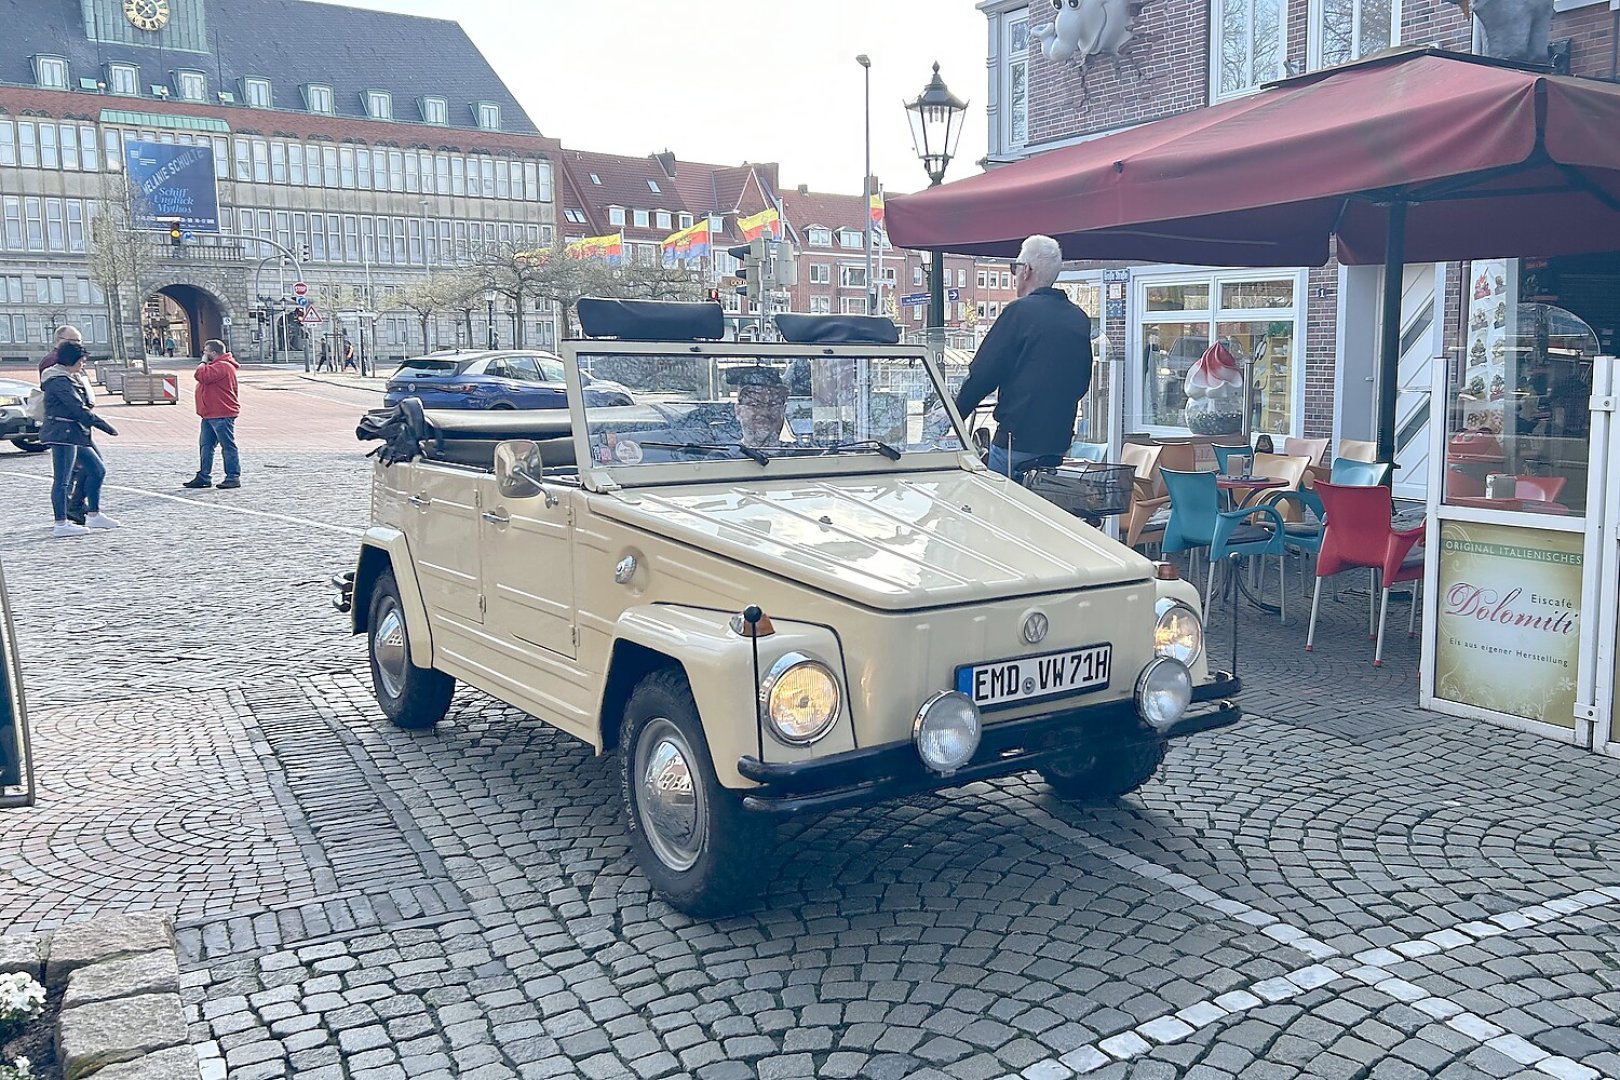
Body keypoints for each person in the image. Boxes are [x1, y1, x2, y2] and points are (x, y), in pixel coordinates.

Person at [953, 235, 1094, 479]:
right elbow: (1082, 379)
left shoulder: (1019, 313)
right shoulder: (1078, 318)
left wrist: (953, 417)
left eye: (1014, 268)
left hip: (1016, 440)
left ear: (1026, 270)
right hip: (1057, 442)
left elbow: (983, 374)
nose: (1014, 274)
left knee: (999, 510)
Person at [40, 342, 118, 537]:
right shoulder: (58, 380)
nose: (84, 364)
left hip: (73, 432)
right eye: (82, 361)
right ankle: (61, 522)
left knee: (97, 469)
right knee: (62, 480)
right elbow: (76, 408)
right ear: (71, 360)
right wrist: (103, 425)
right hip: (63, 433)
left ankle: (93, 513)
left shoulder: (69, 377)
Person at [38, 325, 95, 524]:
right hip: (65, 427)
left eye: (79, 341)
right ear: (60, 340)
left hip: (76, 425)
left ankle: (76, 507)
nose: (78, 345)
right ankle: (70, 510)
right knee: (72, 473)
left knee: (90, 468)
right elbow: (63, 397)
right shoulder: (53, 363)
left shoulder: (69, 363)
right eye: (74, 342)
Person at [184, 339, 241, 490]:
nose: (204, 354)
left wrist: (203, 362)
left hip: (221, 412)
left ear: (213, 353)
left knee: (227, 446)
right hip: (210, 413)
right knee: (206, 446)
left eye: (206, 351)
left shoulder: (223, 366)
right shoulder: (217, 366)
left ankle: (233, 476)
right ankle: (204, 476)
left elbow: (201, 375)